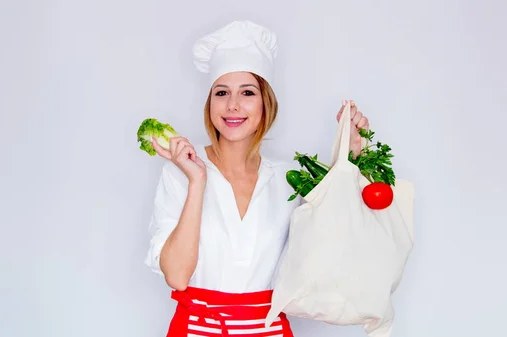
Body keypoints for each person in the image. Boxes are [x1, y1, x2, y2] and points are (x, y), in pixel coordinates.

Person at [144, 20, 370, 337]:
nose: (233, 105)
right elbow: (178, 277)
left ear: (265, 103)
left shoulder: (291, 180)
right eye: (222, 92)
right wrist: (197, 181)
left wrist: (353, 152)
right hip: (197, 329)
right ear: (210, 103)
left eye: (247, 92)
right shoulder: (181, 171)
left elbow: (337, 233)